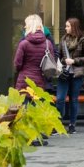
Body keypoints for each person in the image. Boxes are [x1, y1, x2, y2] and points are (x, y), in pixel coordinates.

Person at [13, 13, 54, 145]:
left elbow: (17, 64)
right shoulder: (47, 43)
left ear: (29, 26)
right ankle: (37, 135)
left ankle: (28, 137)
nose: (24, 27)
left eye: (26, 24)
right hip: (39, 81)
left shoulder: (24, 43)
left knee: (24, 108)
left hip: (24, 80)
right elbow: (51, 61)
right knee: (36, 108)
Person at [56, 17, 84, 133]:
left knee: (73, 99)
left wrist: (74, 61)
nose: (65, 28)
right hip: (64, 73)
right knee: (60, 99)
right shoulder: (63, 39)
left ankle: (72, 124)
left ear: (74, 27)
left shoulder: (83, 39)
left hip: (77, 73)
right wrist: (63, 61)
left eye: (67, 26)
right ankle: (57, 124)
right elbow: (58, 55)